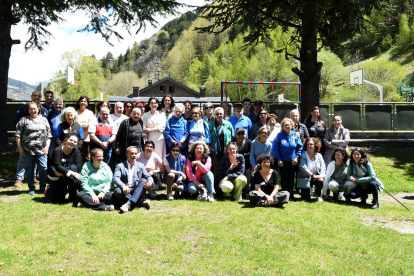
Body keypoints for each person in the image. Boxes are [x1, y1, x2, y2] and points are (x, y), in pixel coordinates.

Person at [15, 102, 52, 195]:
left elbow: (49, 135)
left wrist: (47, 147)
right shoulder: (23, 120)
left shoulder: (44, 120)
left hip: (41, 149)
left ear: (38, 109)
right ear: (27, 110)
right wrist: (19, 147)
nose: (33, 111)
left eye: (34, 108)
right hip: (28, 150)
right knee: (29, 168)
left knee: (43, 169)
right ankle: (31, 188)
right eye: (30, 109)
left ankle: (42, 187)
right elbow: (18, 135)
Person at [112, 146, 152, 212]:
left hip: (137, 189)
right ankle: (140, 202)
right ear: (127, 154)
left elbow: (148, 176)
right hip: (126, 190)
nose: (134, 155)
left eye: (135, 154)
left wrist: (150, 182)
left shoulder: (141, 165)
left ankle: (129, 203)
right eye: (132, 153)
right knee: (117, 191)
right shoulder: (120, 166)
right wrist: (123, 186)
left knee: (144, 180)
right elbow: (115, 178)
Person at [46, 135, 82, 203]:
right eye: (70, 140)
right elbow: (57, 166)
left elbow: (78, 168)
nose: (72, 142)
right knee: (57, 200)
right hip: (55, 175)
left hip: (64, 174)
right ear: (66, 140)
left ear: (76, 144)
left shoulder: (77, 152)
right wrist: (71, 172)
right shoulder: (57, 150)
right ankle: (49, 190)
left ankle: (72, 194)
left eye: (74, 141)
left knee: (75, 170)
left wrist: (65, 172)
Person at [273, 118, 303, 201]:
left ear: (292, 125)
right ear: (282, 126)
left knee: (291, 178)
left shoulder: (295, 135)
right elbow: (275, 148)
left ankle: (291, 195)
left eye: (289, 124)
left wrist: (297, 157)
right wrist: (278, 159)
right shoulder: (279, 135)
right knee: (284, 178)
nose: (287, 126)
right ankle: (284, 195)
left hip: (293, 162)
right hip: (283, 162)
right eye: (285, 125)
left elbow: (299, 147)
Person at [208, 107, 234, 183]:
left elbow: (232, 136)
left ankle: (226, 184)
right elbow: (208, 137)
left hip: (226, 149)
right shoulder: (210, 125)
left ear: (223, 114)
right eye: (217, 114)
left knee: (227, 167)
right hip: (215, 150)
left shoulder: (228, 124)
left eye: (220, 114)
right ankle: (216, 185)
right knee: (216, 168)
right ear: (214, 115)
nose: (219, 115)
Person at [231, 127, 252, 196]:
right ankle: (235, 191)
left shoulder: (249, 143)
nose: (241, 135)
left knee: (248, 171)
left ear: (245, 134)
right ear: (235, 135)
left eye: (243, 133)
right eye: (239, 134)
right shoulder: (232, 143)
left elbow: (252, 155)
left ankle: (246, 191)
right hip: (235, 167)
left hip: (247, 167)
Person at [109, 102, 129, 170]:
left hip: (121, 145)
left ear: (123, 109)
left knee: (121, 164)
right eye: (117, 108)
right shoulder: (109, 117)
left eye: (120, 108)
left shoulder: (126, 119)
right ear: (114, 108)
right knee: (110, 163)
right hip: (110, 144)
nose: (119, 109)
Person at [76, 95, 95, 163]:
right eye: (81, 101)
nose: (83, 103)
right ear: (79, 102)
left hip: (86, 139)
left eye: (85, 101)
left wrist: (79, 125)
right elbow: (73, 125)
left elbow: (90, 124)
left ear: (87, 103)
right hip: (76, 138)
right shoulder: (75, 113)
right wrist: (84, 125)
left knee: (86, 157)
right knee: (76, 156)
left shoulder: (89, 113)